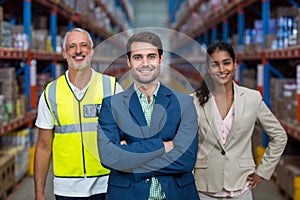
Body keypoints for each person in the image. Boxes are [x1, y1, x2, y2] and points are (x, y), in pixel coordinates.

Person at [97, 31, 199, 200]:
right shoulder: (111, 105)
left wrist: (130, 157)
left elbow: (186, 160)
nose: (145, 63)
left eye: (151, 56)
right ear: (129, 61)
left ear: (160, 59)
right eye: (138, 57)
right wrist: (163, 146)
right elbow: (109, 157)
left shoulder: (184, 104)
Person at [34, 28, 122, 200]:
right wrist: (39, 192)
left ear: (92, 51)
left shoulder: (111, 88)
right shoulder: (51, 93)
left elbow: (128, 137)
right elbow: (44, 146)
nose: (78, 50)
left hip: (108, 184)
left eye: (84, 45)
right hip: (67, 189)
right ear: (65, 53)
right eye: (72, 46)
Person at [192, 41, 288, 199]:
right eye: (215, 64)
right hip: (204, 188)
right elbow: (184, 143)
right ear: (208, 68)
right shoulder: (194, 101)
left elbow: (279, 136)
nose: (222, 69)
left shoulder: (252, 98)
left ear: (235, 64)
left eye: (227, 63)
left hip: (241, 188)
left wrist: (263, 172)